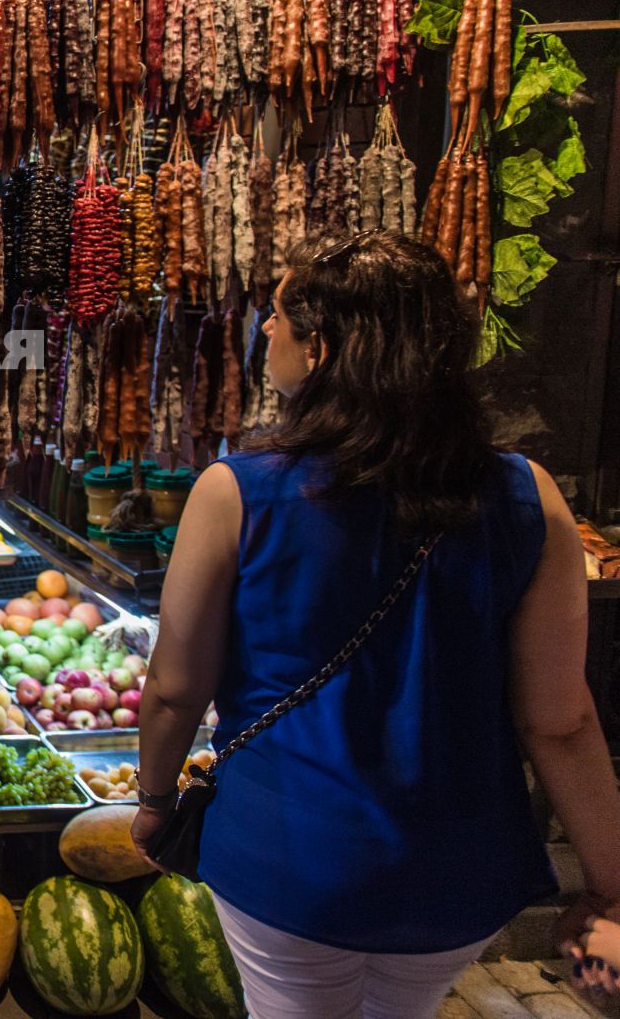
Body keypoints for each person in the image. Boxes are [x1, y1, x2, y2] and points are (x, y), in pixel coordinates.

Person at [133, 230, 620, 1019]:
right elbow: (561, 721)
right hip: (457, 872)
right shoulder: (530, 497)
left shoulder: (235, 492)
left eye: (279, 316)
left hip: (287, 863)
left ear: (321, 348)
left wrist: (155, 801)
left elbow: (175, 690)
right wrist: (609, 884)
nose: (264, 330)